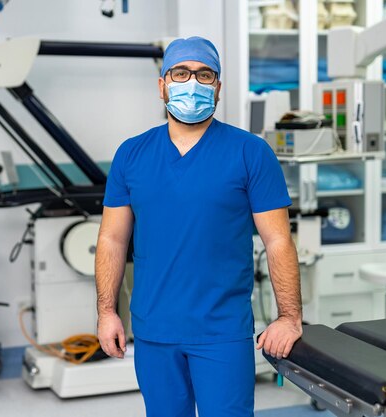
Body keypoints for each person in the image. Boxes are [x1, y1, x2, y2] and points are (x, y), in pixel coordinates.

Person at [94, 36, 302, 417]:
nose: (193, 82)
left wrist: (289, 317)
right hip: (154, 330)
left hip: (221, 332)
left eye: (204, 74)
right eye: (181, 72)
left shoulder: (250, 152)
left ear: (218, 88)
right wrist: (107, 312)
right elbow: (111, 238)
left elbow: (278, 241)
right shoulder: (131, 154)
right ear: (162, 85)